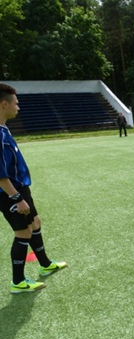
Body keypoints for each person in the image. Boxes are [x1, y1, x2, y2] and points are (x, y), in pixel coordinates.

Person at [0, 83, 67, 294]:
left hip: (20, 189)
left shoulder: (4, 129)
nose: (18, 107)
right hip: (9, 193)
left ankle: (45, 264)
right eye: (16, 103)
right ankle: (18, 282)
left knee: (35, 222)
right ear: (4, 104)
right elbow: (0, 175)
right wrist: (17, 198)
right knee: (23, 232)